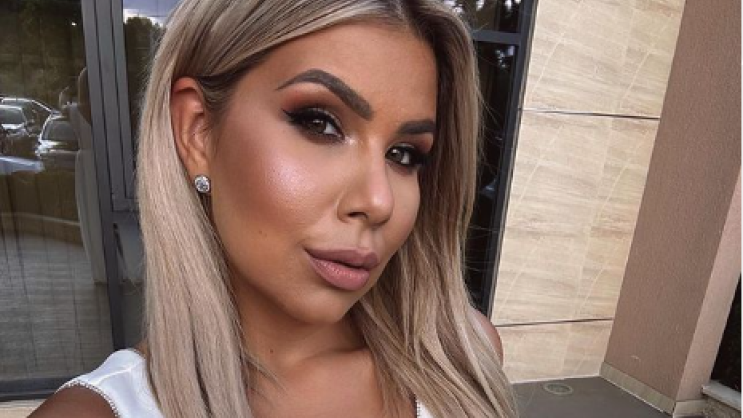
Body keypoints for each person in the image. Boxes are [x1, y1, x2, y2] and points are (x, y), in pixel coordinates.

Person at [31, 0, 518, 416]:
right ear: (197, 131)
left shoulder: (462, 359)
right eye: (320, 123)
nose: (378, 201)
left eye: (404, 154)